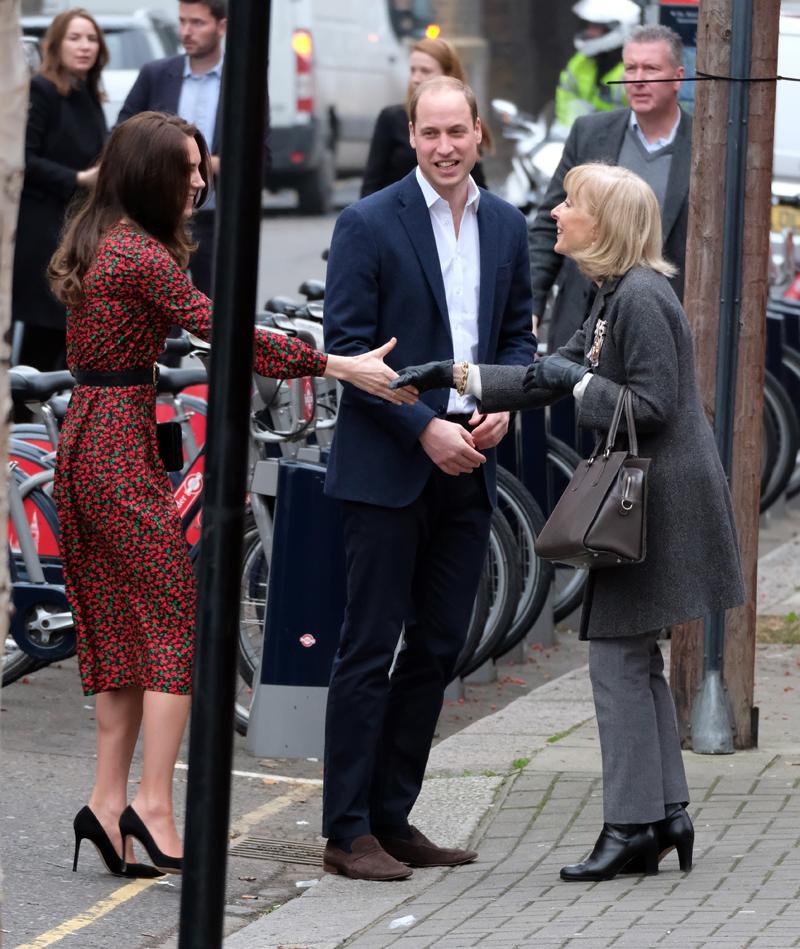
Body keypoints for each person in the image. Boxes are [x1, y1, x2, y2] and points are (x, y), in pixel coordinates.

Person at [49, 110, 413, 878]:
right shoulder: (140, 255)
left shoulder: (100, 239)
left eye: (199, 167)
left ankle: (106, 806)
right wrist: (338, 365)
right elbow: (228, 332)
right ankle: (152, 807)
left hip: (86, 436)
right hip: (115, 444)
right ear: (148, 173)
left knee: (119, 631)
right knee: (174, 623)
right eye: (184, 169)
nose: (197, 182)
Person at [392, 162, 746, 883]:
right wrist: (455, 376)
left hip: (653, 508)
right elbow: (546, 371)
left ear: (604, 224)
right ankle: (663, 812)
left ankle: (630, 824)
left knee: (616, 660)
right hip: (645, 504)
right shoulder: (616, 291)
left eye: (572, 203)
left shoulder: (642, 297)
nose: (557, 212)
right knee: (632, 658)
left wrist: (577, 381)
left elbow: (651, 404)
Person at [321, 76, 535, 881]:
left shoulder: (507, 225)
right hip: (388, 468)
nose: (444, 147)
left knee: (442, 642)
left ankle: (391, 815)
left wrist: (503, 405)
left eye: (457, 132)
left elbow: (514, 337)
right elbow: (348, 351)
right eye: (429, 133)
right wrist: (426, 428)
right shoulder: (367, 222)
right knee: (368, 647)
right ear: (411, 136)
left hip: (470, 464)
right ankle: (346, 830)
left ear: (480, 133)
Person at [532, 24, 690, 351]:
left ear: (677, 77)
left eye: (651, 68)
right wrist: (531, 306)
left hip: (660, 327)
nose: (638, 78)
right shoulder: (590, 133)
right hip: (584, 322)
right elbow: (549, 225)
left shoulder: (705, 145)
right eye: (630, 67)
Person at [12, 7, 108, 373]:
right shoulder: (42, 90)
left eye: (91, 39)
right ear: (56, 45)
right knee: (43, 329)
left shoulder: (90, 94)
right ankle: (22, 416)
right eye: (75, 38)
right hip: (41, 227)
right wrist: (78, 179)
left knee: (66, 331)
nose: (85, 46)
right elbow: (23, 159)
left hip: (77, 227)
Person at [117, 0, 234, 297]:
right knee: (158, 311)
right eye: (182, 22)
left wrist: (191, 164)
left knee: (213, 311)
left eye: (197, 23)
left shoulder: (240, 80)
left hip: (214, 218)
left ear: (222, 26)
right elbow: (121, 137)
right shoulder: (155, 73)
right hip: (158, 215)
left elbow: (259, 158)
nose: (186, 31)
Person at [360, 37, 490, 197]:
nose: (416, 78)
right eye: (413, 70)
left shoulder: (465, 118)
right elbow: (371, 183)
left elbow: (478, 187)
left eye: (425, 71)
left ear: (447, 73)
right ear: (412, 132)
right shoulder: (391, 118)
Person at [553, 0, 639, 131]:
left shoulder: (637, 71)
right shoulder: (579, 62)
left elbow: (645, 119)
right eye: (589, 26)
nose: (589, 32)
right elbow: (565, 104)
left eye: (595, 27)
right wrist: (569, 135)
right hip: (582, 141)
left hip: (623, 144)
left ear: (616, 28)